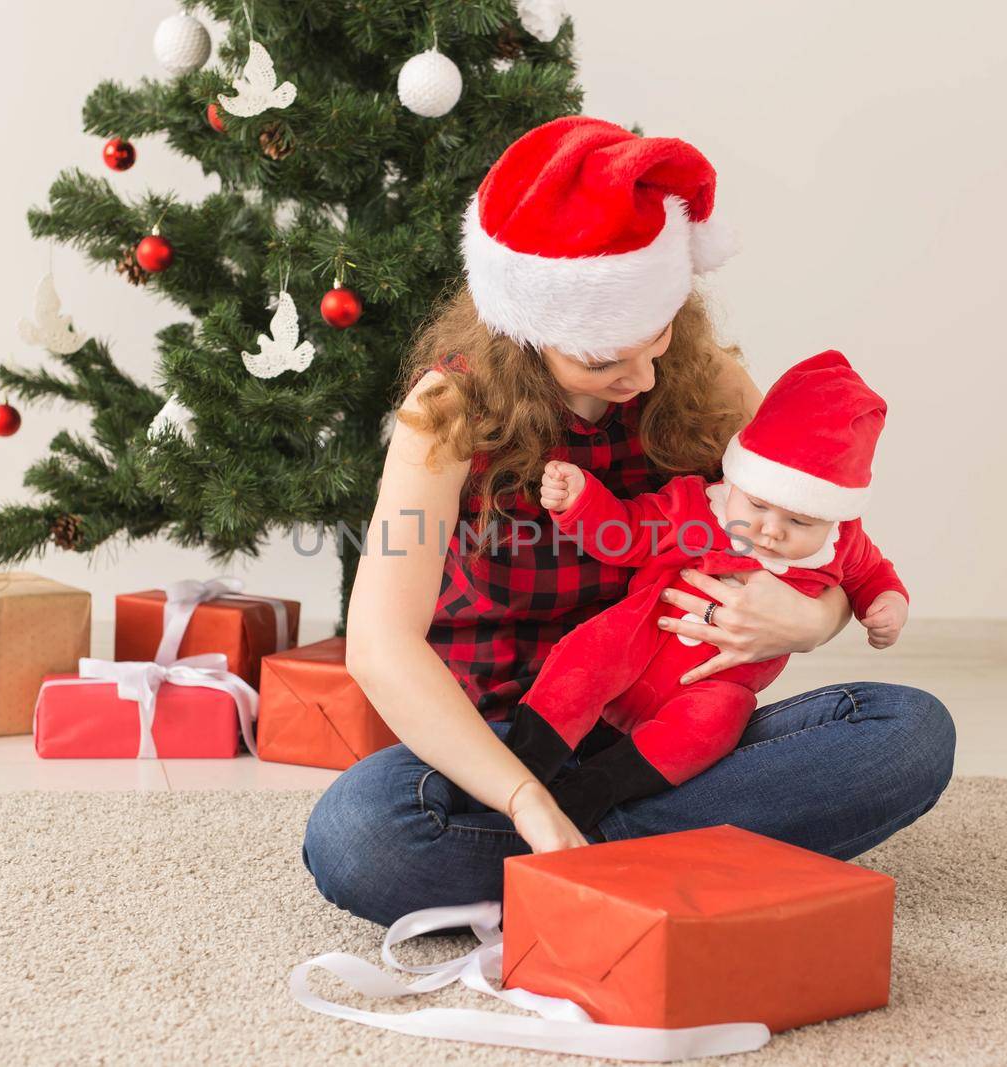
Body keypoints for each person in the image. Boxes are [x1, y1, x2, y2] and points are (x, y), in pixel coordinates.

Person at [302, 115, 955, 927]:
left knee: (908, 733)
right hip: (513, 737)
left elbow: (820, 536)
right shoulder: (448, 411)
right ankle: (647, 854)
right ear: (527, 328)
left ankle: (585, 859)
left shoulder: (705, 378)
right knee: (360, 834)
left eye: (655, 338)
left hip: (673, 730)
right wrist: (525, 798)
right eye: (604, 358)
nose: (641, 376)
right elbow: (379, 643)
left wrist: (813, 620)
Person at [503, 350, 911, 835]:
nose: (771, 531)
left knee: (716, 723)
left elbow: (872, 575)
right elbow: (625, 533)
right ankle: (522, 767)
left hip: (718, 683)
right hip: (642, 639)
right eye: (758, 504)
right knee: (588, 657)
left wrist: (888, 605)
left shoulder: (840, 545)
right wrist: (581, 501)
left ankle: (599, 791)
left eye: (800, 520)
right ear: (737, 478)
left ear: (833, 517)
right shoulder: (699, 507)